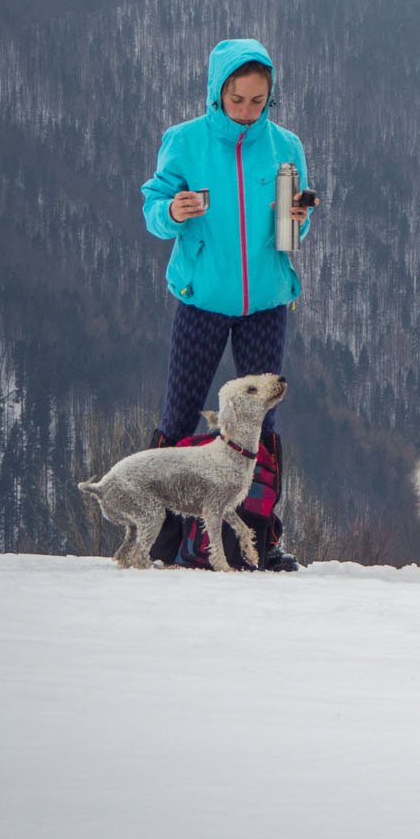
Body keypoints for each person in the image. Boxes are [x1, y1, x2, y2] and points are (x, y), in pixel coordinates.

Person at [140, 37, 314, 571]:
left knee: (262, 425)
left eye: (258, 101)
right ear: (217, 92)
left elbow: (292, 224)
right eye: (237, 99)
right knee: (180, 414)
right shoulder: (185, 141)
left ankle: (255, 544)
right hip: (202, 299)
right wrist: (173, 208)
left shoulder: (286, 146)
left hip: (265, 301)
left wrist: (298, 222)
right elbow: (152, 208)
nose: (247, 111)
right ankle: (164, 540)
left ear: (271, 97)